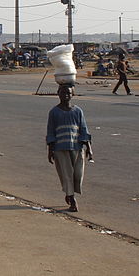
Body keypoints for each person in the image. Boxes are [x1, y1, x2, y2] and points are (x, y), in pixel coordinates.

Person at [46, 84, 92, 212]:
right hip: (61, 148)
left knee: (77, 174)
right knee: (67, 175)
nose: (66, 95)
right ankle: (72, 200)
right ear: (58, 94)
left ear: (72, 95)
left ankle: (69, 193)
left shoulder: (78, 111)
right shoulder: (54, 112)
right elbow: (50, 132)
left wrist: (89, 148)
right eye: (63, 93)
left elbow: (84, 129)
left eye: (68, 93)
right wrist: (50, 150)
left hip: (77, 147)